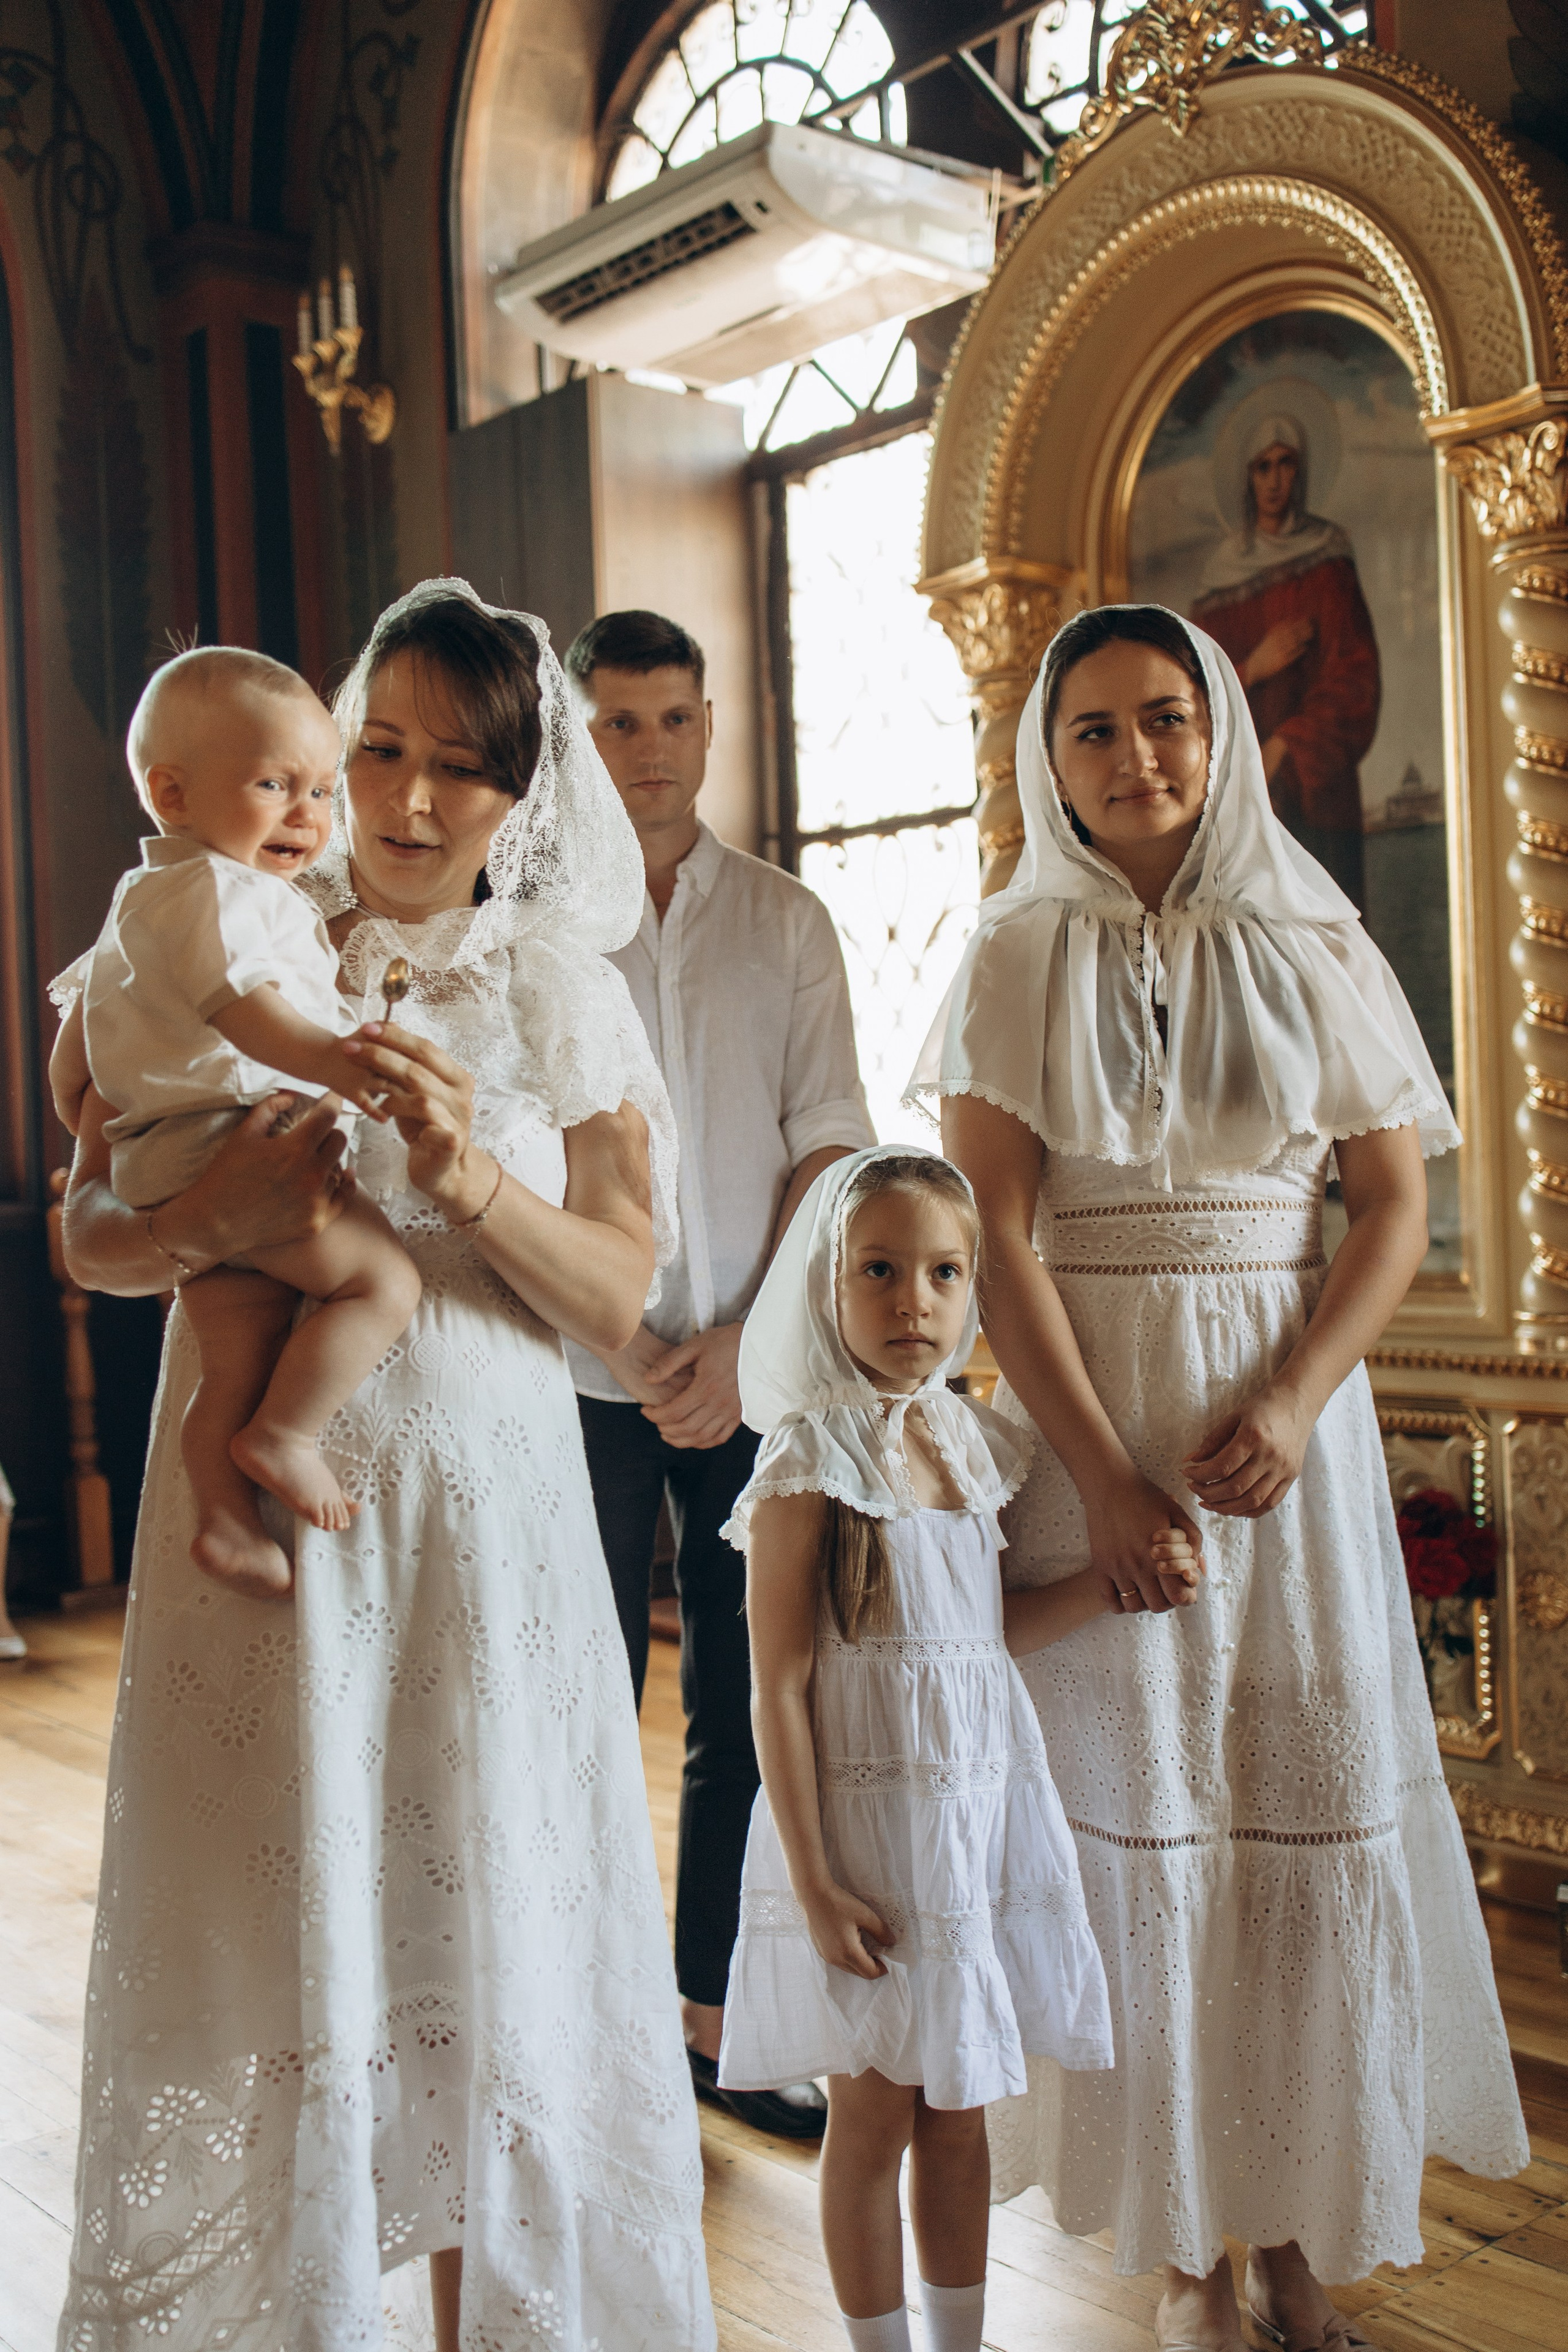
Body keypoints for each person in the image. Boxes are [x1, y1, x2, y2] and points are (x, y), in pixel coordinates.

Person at [54, 582, 714, 2352]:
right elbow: (93, 1235)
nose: (414, 804)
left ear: (528, 793)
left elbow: (617, 1293)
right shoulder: (228, 919)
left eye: (467, 771)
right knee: (278, 1933)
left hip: (480, 1526)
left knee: (483, 1939)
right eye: (385, 753)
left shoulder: (561, 990)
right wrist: (210, 1211)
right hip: (266, 1527)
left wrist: (470, 1173)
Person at [916, 605, 1528, 2352]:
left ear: (1222, 732)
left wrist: (1301, 1395)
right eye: (1093, 731)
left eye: (1165, 720)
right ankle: (1184, 2249)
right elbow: (1001, 1243)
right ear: (1053, 761)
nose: (1136, 758)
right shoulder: (1012, 956)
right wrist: (1104, 1484)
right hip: (1102, 1426)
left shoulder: (1317, 936)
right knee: (1144, 1825)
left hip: (1286, 1453)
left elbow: (1392, 1207)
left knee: (1291, 1815)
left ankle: (1297, 2244)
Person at [717, 1144, 1197, 2352]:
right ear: (827, 1284)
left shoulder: (974, 1450)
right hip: (868, 1844)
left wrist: (1107, 1585)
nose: (911, 1303)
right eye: (877, 1271)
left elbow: (980, 1642)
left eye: (941, 1273)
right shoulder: (806, 1462)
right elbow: (774, 1684)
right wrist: (815, 1881)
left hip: (971, 1831)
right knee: (871, 2115)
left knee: (962, 2109)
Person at [564, 607, 875, 2137]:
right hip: (573, 1363)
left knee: (745, 1710)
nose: (648, 751)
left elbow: (832, 1140)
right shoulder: (534, 921)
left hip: (756, 1373)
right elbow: (505, 1153)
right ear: (576, 731)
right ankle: (576, 2018)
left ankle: (713, 2022)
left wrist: (748, 1344)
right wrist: (622, 1329)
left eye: (672, 718)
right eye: (616, 722)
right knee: (577, 1693)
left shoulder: (787, 921)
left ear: (707, 724)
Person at [48, 649, 420, 1594]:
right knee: (382, 1284)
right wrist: (338, 1063)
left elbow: (73, 1064)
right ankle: (285, 1435)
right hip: (230, 1139)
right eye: (274, 784)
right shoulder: (223, 892)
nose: (307, 813)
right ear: (171, 793)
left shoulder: (140, 905)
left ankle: (223, 1516)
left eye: (322, 790)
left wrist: (124, 1109)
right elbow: (248, 1009)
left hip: (165, 1150)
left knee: (239, 1350)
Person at [1191, 408, 1379, 909]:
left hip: (1319, 793)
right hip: (1246, 802)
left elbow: (1354, 678)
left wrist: (1286, 745)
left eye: (1286, 463)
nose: (1275, 480)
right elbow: (1189, 695)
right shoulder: (1219, 578)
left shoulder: (1328, 558)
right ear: (1246, 477)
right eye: (1262, 467)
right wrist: (1252, 667)